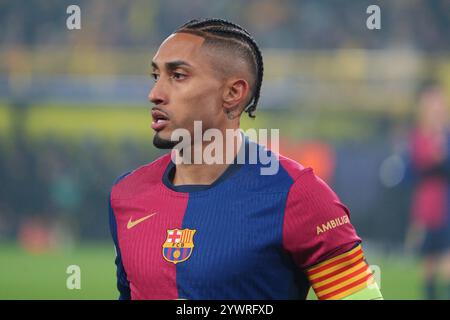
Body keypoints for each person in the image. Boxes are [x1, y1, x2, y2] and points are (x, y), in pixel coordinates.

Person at [108, 18, 382, 300]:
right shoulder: (126, 194)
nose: (154, 94)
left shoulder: (298, 195)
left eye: (178, 75)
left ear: (233, 93)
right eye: (156, 77)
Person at [405, 81, 450, 299]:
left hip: (445, 206)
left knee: (445, 265)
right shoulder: (418, 136)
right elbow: (420, 164)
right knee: (429, 266)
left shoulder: (444, 134)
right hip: (428, 207)